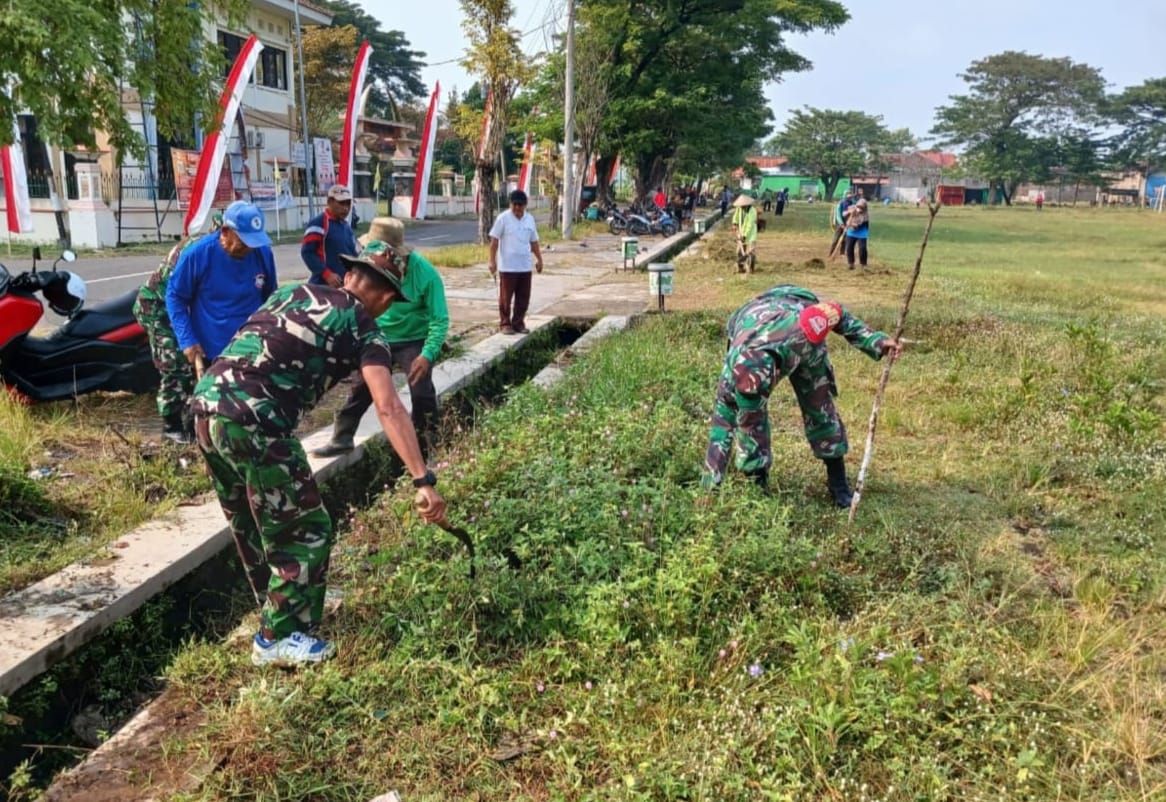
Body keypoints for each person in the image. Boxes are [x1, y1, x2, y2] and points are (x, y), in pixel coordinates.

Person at [191, 239, 447, 666]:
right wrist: (423, 479)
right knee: (306, 526)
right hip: (257, 420)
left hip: (205, 407)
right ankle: (279, 638)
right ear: (386, 298)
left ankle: (276, 608)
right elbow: (388, 405)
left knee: (252, 519)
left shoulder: (291, 291)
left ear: (349, 276)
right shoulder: (367, 329)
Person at [701, 285, 901, 508]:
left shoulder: (806, 327)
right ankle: (757, 488)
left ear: (773, 372)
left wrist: (876, 341)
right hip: (752, 315)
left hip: (799, 330)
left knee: (820, 407)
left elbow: (837, 312)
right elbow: (721, 428)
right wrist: (709, 488)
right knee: (750, 421)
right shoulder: (731, 376)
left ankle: (838, 485)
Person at [314, 218, 450, 460]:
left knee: (421, 391)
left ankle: (427, 446)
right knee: (361, 388)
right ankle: (342, 437)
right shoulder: (364, 269)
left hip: (412, 339)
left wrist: (427, 355)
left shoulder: (426, 275)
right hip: (375, 335)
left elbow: (439, 320)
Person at [134, 213, 222, 443]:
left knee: (199, 359)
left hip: (186, 310)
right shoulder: (193, 251)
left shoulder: (223, 256)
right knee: (175, 365)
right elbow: (177, 296)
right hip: (158, 307)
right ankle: (170, 426)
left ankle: (191, 420)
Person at [166, 200, 277, 370]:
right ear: (225, 232)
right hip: (214, 349)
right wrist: (187, 339)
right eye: (244, 243)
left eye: (254, 243)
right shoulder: (198, 254)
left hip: (252, 346)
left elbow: (271, 298)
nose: (249, 249)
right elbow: (175, 297)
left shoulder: (263, 253)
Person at [488, 189, 543, 335]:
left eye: (520, 205)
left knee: (523, 298)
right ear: (510, 204)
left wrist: (539, 259)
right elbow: (494, 241)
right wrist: (492, 261)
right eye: (515, 205)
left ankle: (518, 323)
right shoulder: (503, 218)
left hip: (525, 266)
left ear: (525, 206)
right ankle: (505, 323)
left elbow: (534, 242)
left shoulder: (529, 219)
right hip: (508, 267)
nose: (517, 208)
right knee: (506, 298)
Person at [301, 184, 358, 287]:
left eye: (348, 204)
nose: (345, 208)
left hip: (344, 286)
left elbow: (352, 254)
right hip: (322, 286)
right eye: (341, 203)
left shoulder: (346, 227)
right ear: (329, 202)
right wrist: (326, 274)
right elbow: (308, 253)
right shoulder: (319, 223)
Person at [731, 194, 759, 273]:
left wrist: (745, 235)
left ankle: (750, 268)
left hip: (751, 234)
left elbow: (750, 225)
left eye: (743, 206)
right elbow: (735, 216)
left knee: (750, 252)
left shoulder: (752, 211)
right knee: (739, 251)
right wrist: (734, 223)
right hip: (741, 231)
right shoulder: (739, 208)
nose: (741, 207)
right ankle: (740, 267)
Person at [844, 193, 870, 271]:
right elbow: (844, 214)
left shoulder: (865, 215)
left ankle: (863, 264)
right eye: (858, 206)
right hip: (851, 232)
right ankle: (851, 263)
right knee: (849, 247)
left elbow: (857, 226)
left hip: (861, 232)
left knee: (862, 248)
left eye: (861, 207)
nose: (859, 208)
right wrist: (848, 213)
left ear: (864, 208)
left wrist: (850, 224)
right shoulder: (852, 207)